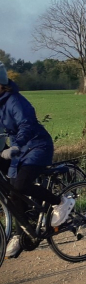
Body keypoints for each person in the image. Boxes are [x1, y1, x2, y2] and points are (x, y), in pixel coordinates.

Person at [0, 63, 75, 258]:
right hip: (18, 148)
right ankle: (23, 232)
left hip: (37, 146)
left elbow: (27, 124)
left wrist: (16, 146)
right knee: (11, 190)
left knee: (20, 185)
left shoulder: (15, 101)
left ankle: (61, 201)